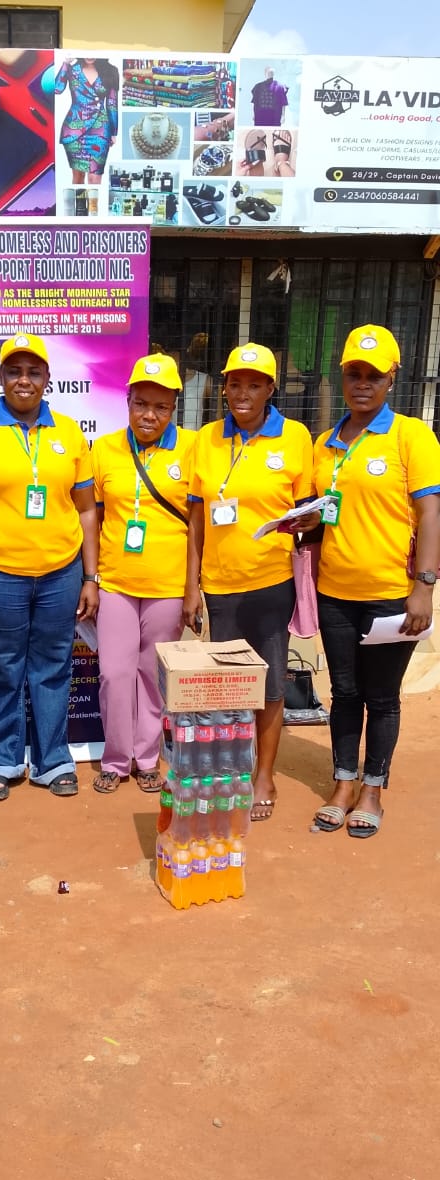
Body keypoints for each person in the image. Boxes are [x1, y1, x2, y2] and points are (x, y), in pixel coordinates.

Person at [0, 333, 99, 801]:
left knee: (53, 666)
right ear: (1, 376)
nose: (23, 380)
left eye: (33, 372)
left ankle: (52, 760)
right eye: (14, 371)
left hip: (60, 574)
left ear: (48, 379)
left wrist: (91, 576)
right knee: (3, 668)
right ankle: (0, 759)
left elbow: (87, 508)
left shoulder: (68, 433)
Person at [303, 324, 440, 837]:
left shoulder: (412, 435)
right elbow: (328, 514)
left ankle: (373, 788)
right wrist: (305, 523)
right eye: (354, 374)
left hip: (389, 594)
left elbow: (431, 515)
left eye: (373, 375)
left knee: (381, 697)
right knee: (343, 692)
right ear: (343, 376)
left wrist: (423, 585)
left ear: (392, 378)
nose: (363, 383)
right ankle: (342, 783)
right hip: (335, 591)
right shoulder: (326, 443)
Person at [183, 342, 314, 820]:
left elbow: (309, 509)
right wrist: (192, 585)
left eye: (254, 384)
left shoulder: (295, 437)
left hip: (271, 580)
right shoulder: (207, 440)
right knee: (230, 686)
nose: (243, 393)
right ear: (224, 388)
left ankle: (264, 775)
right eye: (235, 383)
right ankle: (235, 769)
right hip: (220, 585)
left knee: (270, 684)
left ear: (270, 389)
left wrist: (306, 523)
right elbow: (196, 519)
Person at [92, 354, 194, 794]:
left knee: (152, 674)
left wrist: (194, 588)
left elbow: (199, 526)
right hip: (114, 580)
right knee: (114, 672)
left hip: (168, 584)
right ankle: (115, 759)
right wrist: (91, 578)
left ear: (174, 407)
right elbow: (91, 518)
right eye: (141, 403)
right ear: (127, 401)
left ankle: (148, 757)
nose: (149, 415)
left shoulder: (192, 449)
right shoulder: (104, 449)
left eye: (161, 406)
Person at [54, 58, 119, 184]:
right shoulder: (73, 70)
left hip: (100, 130)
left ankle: (94, 204)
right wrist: (65, 63)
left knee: (95, 177)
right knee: (78, 177)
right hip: (74, 131)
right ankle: (79, 204)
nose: (90, 56)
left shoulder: (110, 71)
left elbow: (112, 103)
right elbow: (57, 89)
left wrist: (114, 131)